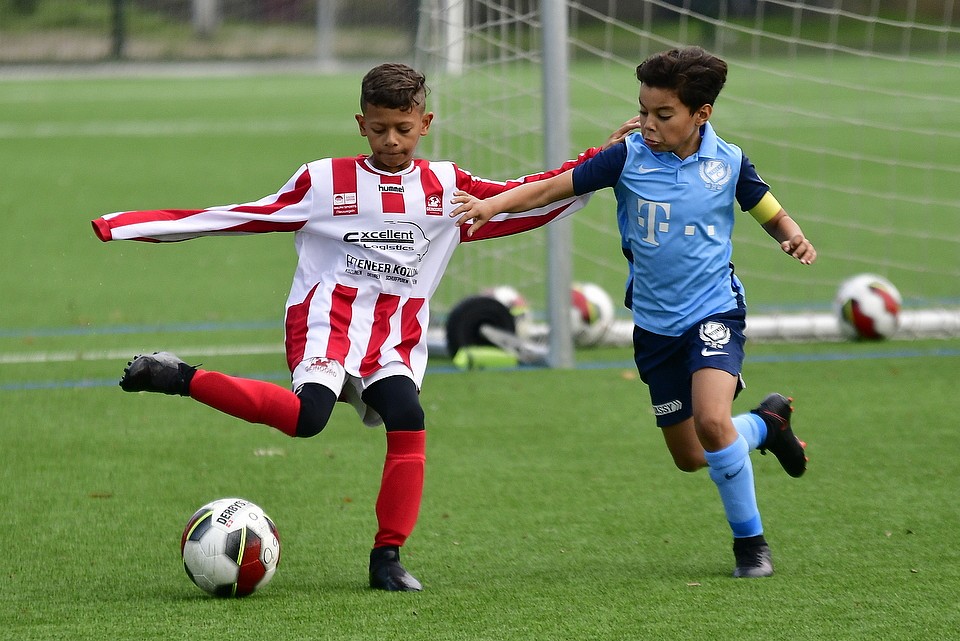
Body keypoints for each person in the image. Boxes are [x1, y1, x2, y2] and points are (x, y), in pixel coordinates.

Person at [91, 63, 637, 592]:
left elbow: (520, 199)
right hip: (326, 322)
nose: (392, 140)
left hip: (395, 337)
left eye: (403, 128)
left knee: (407, 415)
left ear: (426, 124)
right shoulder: (323, 180)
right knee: (308, 418)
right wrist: (126, 227)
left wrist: (598, 163)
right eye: (379, 129)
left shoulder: (447, 186)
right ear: (361, 124)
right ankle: (177, 376)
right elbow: (240, 216)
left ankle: (388, 558)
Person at [451, 46, 816, 578]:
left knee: (712, 422)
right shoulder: (625, 157)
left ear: (701, 114)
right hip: (654, 325)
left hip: (715, 311)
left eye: (663, 114)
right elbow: (551, 188)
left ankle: (751, 546)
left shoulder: (729, 161)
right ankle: (766, 425)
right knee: (691, 455)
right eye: (643, 111)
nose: (648, 123)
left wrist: (791, 233)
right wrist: (491, 204)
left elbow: (764, 205)